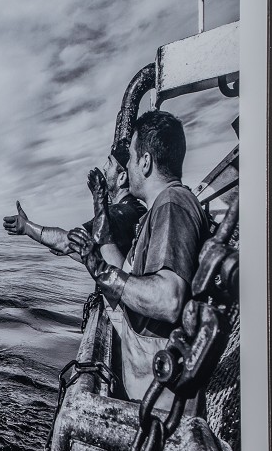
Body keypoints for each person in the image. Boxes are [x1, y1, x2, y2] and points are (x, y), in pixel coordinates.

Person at [66, 110, 206, 410]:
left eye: (130, 156)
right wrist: (98, 258)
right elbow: (123, 274)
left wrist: (102, 271)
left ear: (145, 161)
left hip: (160, 404)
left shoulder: (173, 204)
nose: (127, 165)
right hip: (146, 394)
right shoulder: (159, 210)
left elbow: (168, 299)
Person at [2, 157, 145, 260]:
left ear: (122, 177)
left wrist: (26, 227)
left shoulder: (119, 213)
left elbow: (66, 242)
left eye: (110, 162)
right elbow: (91, 252)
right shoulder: (134, 209)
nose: (104, 167)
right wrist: (67, 249)